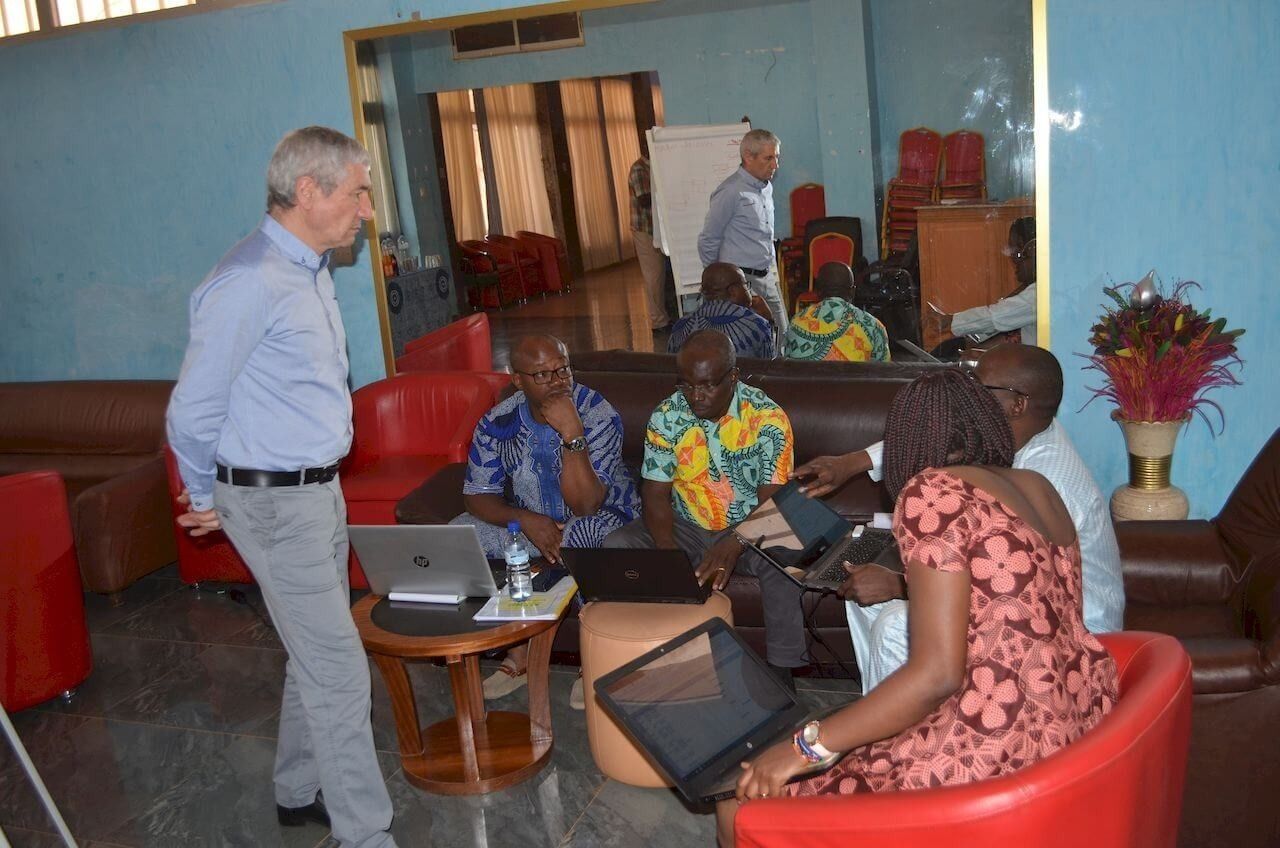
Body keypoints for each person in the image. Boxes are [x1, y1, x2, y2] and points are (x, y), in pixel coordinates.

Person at [716, 369, 1118, 846]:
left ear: (908, 440)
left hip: (995, 744)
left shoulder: (934, 492)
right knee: (860, 745)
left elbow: (936, 676)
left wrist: (804, 747)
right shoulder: (1038, 486)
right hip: (1075, 721)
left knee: (738, 803)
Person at [166, 127, 397, 848]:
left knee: (315, 647)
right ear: (307, 191)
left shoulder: (310, 269)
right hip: (273, 501)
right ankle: (367, 836)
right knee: (338, 668)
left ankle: (298, 789)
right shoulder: (249, 280)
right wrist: (204, 495)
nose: (367, 211)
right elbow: (191, 410)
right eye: (358, 193)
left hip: (314, 490)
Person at [797, 343, 1125, 692]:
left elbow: (1019, 590)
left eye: (980, 387)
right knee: (866, 599)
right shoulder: (1024, 432)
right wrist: (851, 462)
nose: (970, 395)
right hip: (1018, 603)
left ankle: (912, 720)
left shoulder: (1049, 475)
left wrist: (899, 585)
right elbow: (932, 439)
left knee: (894, 624)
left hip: (1069, 631)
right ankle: (885, 704)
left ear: (1018, 404)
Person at [604, 330, 808, 685]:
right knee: (617, 545)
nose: (695, 396)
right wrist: (668, 554)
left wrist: (734, 542)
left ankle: (782, 672)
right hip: (687, 524)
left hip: (752, 523)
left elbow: (772, 501)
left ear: (733, 376)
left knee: (783, 555)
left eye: (707, 386)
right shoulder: (668, 415)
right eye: (686, 385)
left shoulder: (767, 419)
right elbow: (655, 492)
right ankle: (641, 658)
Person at [450, 334, 640, 704]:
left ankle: (594, 660)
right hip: (532, 523)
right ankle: (515, 653)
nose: (557, 381)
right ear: (517, 380)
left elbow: (586, 504)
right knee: (459, 535)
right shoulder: (498, 421)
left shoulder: (597, 413)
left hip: (605, 518)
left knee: (580, 534)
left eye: (563, 369)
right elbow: (476, 494)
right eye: (542, 374)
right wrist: (524, 520)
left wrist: (572, 433)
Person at [697, 128, 788, 339]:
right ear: (748, 157)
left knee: (782, 335)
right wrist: (719, 281)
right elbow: (709, 239)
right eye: (768, 158)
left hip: (766, 276)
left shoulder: (766, 188)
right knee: (747, 340)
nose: (775, 165)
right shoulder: (730, 191)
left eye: (776, 157)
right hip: (739, 285)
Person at [930, 216, 1037, 348]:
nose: (1014, 260)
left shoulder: (1041, 294)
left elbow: (999, 316)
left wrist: (949, 320)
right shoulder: (1030, 289)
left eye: (1019, 252)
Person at [784, 261, 891, 362]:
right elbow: (883, 371)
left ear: (817, 291)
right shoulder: (873, 326)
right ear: (852, 292)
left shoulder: (796, 322)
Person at [667, 262, 775, 359]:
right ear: (733, 291)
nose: (749, 290)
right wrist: (769, 321)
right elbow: (770, 364)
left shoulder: (680, 326)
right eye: (746, 285)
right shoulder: (756, 324)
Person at [628, 134, 671, 331]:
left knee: (663, 275)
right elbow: (645, 200)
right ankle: (658, 321)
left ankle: (666, 316)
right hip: (645, 229)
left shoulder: (656, 166)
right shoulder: (639, 168)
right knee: (654, 275)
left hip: (659, 228)